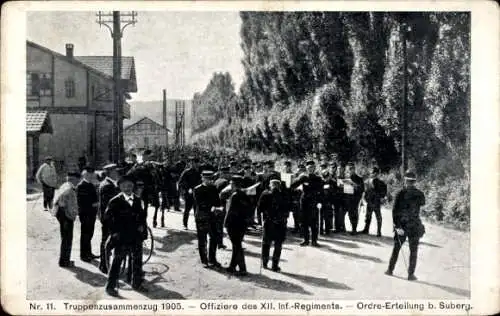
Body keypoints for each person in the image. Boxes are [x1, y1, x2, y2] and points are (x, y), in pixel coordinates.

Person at [104, 175, 148, 296]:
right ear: (120, 187)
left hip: (135, 236)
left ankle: (137, 283)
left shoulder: (138, 200)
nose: (127, 188)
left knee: (137, 260)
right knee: (117, 260)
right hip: (121, 237)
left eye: (129, 185)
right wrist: (115, 233)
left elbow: (143, 217)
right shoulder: (115, 201)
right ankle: (110, 287)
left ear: (133, 186)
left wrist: (142, 230)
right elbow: (108, 219)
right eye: (124, 186)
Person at [386, 171, 426, 281]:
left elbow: (394, 211)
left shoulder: (400, 193)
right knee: (414, 251)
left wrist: (396, 226)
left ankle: (390, 270)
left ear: (405, 180)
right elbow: (422, 203)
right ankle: (411, 274)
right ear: (414, 181)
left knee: (396, 248)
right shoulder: (420, 194)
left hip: (402, 225)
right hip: (414, 225)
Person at [193, 170, 224, 268]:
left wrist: (219, 207)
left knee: (214, 238)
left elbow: (218, 202)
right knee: (202, 239)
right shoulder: (197, 189)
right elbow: (200, 204)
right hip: (201, 217)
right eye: (206, 178)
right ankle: (204, 260)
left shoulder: (214, 188)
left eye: (210, 179)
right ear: (202, 178)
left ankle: (212, 259)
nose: (208, 180)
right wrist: (212, 207)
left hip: (212, 217)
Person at [224, 175, 253, 276]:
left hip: (233, 224)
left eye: (231, 183)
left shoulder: (234, 195)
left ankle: (242, 268)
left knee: (237, 246)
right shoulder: (245, 195)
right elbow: (250, 209)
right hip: (242, 224)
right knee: (237, 245)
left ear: (234, 184)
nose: (230, 185)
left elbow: (230, 211)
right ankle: (232, 266)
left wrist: (225, 224)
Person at [257, 179, 289, 272]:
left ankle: (265, 263)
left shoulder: (265, 194)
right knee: (278, 245)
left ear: (271, 185)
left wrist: (262, 219)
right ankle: (275, 265)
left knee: (266, 243)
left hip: (269, 222)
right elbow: (288, 208)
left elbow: (259, 208)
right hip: (281, 223)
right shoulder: (284, 195)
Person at [291, 160, 324, 247]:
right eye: (309, 168)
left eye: (312, 168)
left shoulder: (318, 178)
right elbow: (293, 185)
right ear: (306, 168)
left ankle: (314, 241)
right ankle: (305, 240)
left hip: (314, 201)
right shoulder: (303, 177)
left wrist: (320, 202)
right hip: (304, 201)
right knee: (304, 221)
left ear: (314, 168)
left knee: (314, 222)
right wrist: (299, 178)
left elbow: (321, 190)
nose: (310, 169)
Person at [51, 171, 80, 268]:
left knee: (65, 238)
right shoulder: (69, 189)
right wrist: (72, 215)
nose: (78, 182)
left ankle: (64, 260)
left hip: (61, 214)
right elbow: (65, 204)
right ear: (74, 179)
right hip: (65, 215)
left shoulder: (65, 185)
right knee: (67, 239)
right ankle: (64, 262)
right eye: (77, 180)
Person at [98, 164, 121, 273]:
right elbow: (110, 205)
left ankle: (105, 264)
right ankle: (104, 266)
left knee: (106, 241)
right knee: (107, 242)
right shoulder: (108, 186)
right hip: (109, 219)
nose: (117, 173)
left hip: (107, 217)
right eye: (115, 171)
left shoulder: (108, 184)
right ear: (111, 173)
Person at [76, 166, 99, 262]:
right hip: (85, 214)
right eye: (89, 174)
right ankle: (83, 255)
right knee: (85, 234)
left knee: (89, 234)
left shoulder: (90, 184)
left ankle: (88, 253)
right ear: (85, 175)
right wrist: (93, 204)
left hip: (91, 213)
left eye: (92, 174)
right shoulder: (81, 185)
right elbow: (81, 202)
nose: (91, 175)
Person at [338, 162, 364, 235]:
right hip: (345, 199)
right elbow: (341, 189)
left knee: (353, 215)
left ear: (354, 169)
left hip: (354, 200)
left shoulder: (359, 178)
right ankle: (343, 228)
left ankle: (354, 229)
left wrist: (354, 185)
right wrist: (341, 186)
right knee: (341, 213)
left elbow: (361, 189)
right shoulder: (345, 178)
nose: (349, 170)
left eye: (351, 168)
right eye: (348, 169)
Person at [361, 167, 388, 237]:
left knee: (378, 217)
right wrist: (365, 198)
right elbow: (365, 191)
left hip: (376, 202)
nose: (371, 173)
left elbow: (384, 191)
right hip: (369, 201)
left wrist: (380, 197)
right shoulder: (367, 181)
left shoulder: (381, 183)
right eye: (371, 172)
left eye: (372, 172)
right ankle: (366, 229)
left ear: (376, 173)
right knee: (368, 216)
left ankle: (379, 231)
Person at [178, 157, 201, 229]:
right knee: (187, 209)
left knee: (197, 210)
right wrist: (186, 189)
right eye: (192, 163)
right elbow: (181, 182)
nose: (193, 164)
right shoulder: (186, 172)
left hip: (198, 194)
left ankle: (197, 225)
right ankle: (185, 224)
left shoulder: (200, 172)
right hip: (189, 194)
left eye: (195, 163)